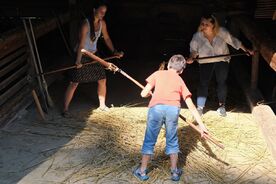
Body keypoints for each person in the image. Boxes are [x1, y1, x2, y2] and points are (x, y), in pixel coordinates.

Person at [133, 55, 208, 182]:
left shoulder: (157, 74)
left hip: (156, 109)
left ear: (168, 65)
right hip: (173, 110)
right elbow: (190, 104)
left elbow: (143, 93)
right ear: (182, 70)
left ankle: (142, 171)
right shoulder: (180, 80)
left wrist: (152, 94)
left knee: (150, 139)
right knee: (172, 140)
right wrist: (201, 125)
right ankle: (174, 172)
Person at [62, 0, 122, 117]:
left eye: (104, 12)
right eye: (100, 12)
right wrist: (78, 61)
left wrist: (114, 51)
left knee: (102, 79)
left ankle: (102, 105)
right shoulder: (86, 24)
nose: (102, 14)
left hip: (94, 55)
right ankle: (65, 109)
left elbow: (107, 39)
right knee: (74, 83)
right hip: (82, 54)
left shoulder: (102, 23)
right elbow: (81, 45)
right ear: (94, 10)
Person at [187, 14, 254, 117]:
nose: (203, 26)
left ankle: (222, 106)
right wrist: (191, 57)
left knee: (221, 82)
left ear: (213, 25)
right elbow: (194, 50)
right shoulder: (197, 36)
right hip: (205, 61)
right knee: (203, 83)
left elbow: (234, 41)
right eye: (202, 24)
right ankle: (200, 108)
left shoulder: (222, 32)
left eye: (207, 24)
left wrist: (246, 50)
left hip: (222, 59)